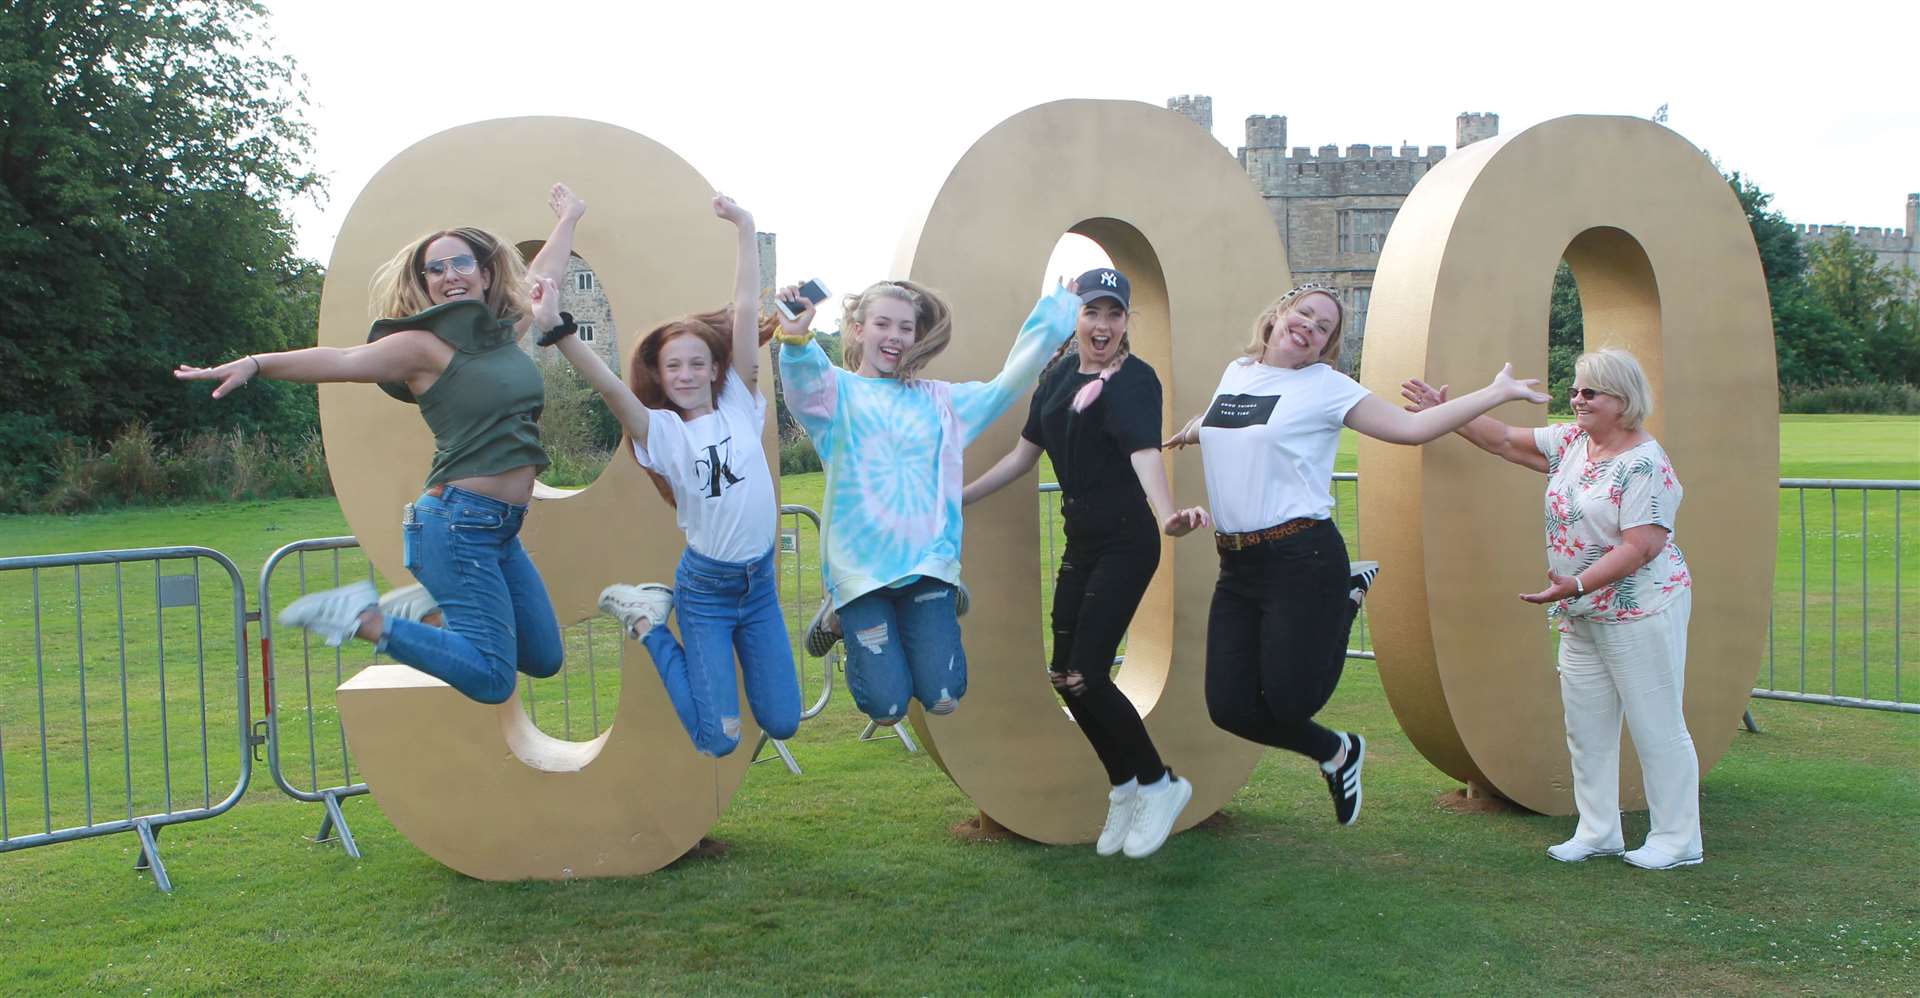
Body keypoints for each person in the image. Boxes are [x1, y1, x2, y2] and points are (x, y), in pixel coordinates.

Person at [175, 188, 588, 704]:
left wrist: (569, 218)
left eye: (460, 263)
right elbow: (343, 361)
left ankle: (422, 609)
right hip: (457, 523)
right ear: (426, 286)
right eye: (434, 270)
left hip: (500, 529)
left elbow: (541, 279)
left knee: (543, 658)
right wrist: (257, 363)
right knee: (492, 679)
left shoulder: (503, 334)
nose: (449, 275)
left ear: (486, 274)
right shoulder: (422, 347)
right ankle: (361, 618)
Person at [1165, 282, 1548, 826]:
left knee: (1290, 702)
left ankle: (1345, 596)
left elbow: (1411, 429)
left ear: (1326, 346)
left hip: (1301, 555)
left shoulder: (1328, 387)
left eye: (1324, 328)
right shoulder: (1238, 373)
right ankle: (1337, 752)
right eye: (1306, 314)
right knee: (1228, 707)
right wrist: (1197, 430)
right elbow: (1239, 423)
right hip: (1238, 563)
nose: (1311, 328)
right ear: (1278, 314)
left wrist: (1495, 392)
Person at [1401, 347, 1699, 869]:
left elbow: (1642, 546)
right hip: (1581, 612)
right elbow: (1502, 441)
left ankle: (1677, 840)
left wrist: (1577, 583)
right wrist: (1442, 412)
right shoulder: (1573, 442)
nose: (1576, 399)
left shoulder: (1647, 463)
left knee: (1657, 725)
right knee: (1586, 727)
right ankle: (1598, 831)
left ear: (1622, 401)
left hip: (1640, 611)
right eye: (1576, 389)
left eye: (1589, 392)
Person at [963, 267, 1210, 859]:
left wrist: (1168, 513)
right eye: (1092, 312)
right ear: (1075, 317)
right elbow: (1025, 457)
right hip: (1083, 543)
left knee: (1089, 674)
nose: (1102, 324)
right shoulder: (1054, 375)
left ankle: (1160, 783)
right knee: (1064, 676)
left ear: (1127, 321)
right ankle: (1125, 786)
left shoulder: (1136, 380)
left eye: (1114, 314)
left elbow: (1145, 453)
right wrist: (961, 496)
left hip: (1127, 541)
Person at [546, 186, 801, 758]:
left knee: (783, 722)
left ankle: (654, 620)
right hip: (706, 592)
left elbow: (740, 307)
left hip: (758, 588)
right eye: (672, 367)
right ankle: (647, 623)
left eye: (696, 363)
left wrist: (744, 225)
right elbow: (611, 388)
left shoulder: (742, 403)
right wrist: (562, 333)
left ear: (716, 370)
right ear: (659, 378)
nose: (685, 374)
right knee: (719, 740)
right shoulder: (662, 435)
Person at [775, 276, 1078, 727]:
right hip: (862, 574)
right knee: (887, 707)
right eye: (883, 324)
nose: (895, 337)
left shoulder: (942, 403)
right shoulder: (836, 395)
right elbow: (803, 377)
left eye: (906, 328)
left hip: (926, 564)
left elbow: (1006, 384)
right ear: (858, 329)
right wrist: (797, 337)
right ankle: (837, 619)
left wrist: (1059, 313)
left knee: (944, 697)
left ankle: (939, 597)